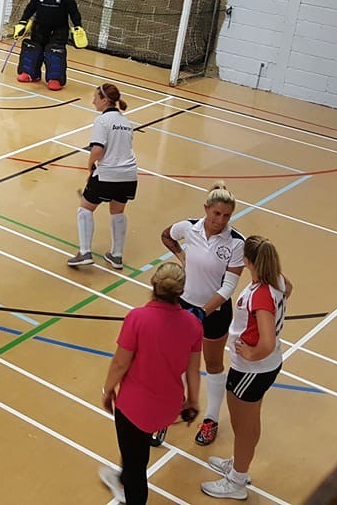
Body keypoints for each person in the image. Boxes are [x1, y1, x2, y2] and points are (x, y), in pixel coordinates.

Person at [97, 262, 203, 504]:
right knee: (136, 450)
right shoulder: (193, 324)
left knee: (137, 468)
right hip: (168, 407)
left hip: (134, 407)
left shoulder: (137, 318)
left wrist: (107, 390)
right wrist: (193, 402)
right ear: (181, 291)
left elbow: (120, 364)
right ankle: (124, 475)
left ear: (153, 284)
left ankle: (129, 483)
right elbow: (193, 371)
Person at [155, 181, 245, 447]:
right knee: (177, 361)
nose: (221, 220)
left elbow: (228, 286)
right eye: (217, 213)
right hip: (183, 306)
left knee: (213, 365)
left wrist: (201, 313)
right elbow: (166, 235)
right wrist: (182, 257)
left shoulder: (235, 243)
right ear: (206, 209)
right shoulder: (189, 228)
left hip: (213, 313)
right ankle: (173, 408)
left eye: (227, 215)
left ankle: (211, 419)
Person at [201, 235, 291, 500]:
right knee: (250, 422)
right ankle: (239, 464)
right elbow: (290, 289)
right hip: (264, 367)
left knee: (244, 426)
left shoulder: (261, 295)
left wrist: (251, 354)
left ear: (248, 261)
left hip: (252, 371)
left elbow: (267, 341)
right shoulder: (277, 281)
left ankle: (237, 480)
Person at [67, 83, 138, 270]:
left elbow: (98, 149)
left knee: (85, 208)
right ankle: (116, 255)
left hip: (108, 174)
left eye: (95, 98)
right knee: (117, 212)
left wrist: (90, 165)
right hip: (129, 176)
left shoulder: (102, 121)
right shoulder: (126, 121)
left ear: (105, 100)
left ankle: (84, 252)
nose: (93, 101)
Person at [13, 0, 87, 91]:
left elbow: (74, 12)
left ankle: (55, 79)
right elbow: (30, 8)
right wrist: (23, 22)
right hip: (39, 28)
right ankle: (30, 73)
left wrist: (78, 26)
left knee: (55, 53)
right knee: (33, 50)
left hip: (58, 30)